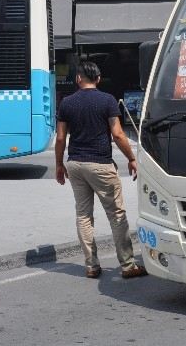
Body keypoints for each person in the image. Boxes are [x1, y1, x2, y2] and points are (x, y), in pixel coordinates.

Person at [55, 61, 147, 279]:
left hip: (76, 164)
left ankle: (91, 266)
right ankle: (127, 265)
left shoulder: (67, 103)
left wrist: (59, 164)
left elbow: (60, 138)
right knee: (116, 214)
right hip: (101, 164)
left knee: (83, 215)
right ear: (98, 78)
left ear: (78, 79)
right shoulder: (107, 100)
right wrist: (132, 158)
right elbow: (117, 134)